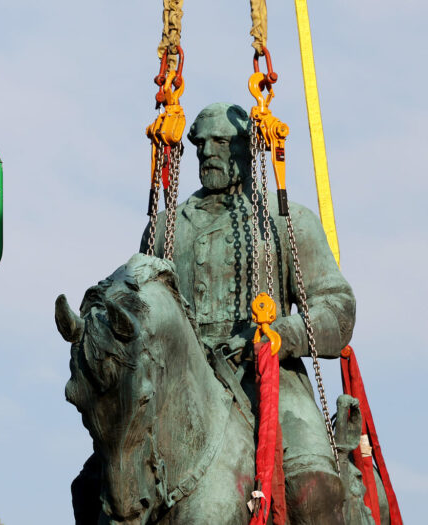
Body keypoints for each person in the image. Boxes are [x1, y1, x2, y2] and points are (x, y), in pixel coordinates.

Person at [139, 103, 355, 523]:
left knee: (314, 487)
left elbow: (338, 308)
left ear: (248, 148)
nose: (207, 152)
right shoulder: (164, 226)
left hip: (269, 377)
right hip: (181, 389)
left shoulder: (285, 218)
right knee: (98, 480)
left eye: (221, 141)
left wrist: (282, 336)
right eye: (200, 143)